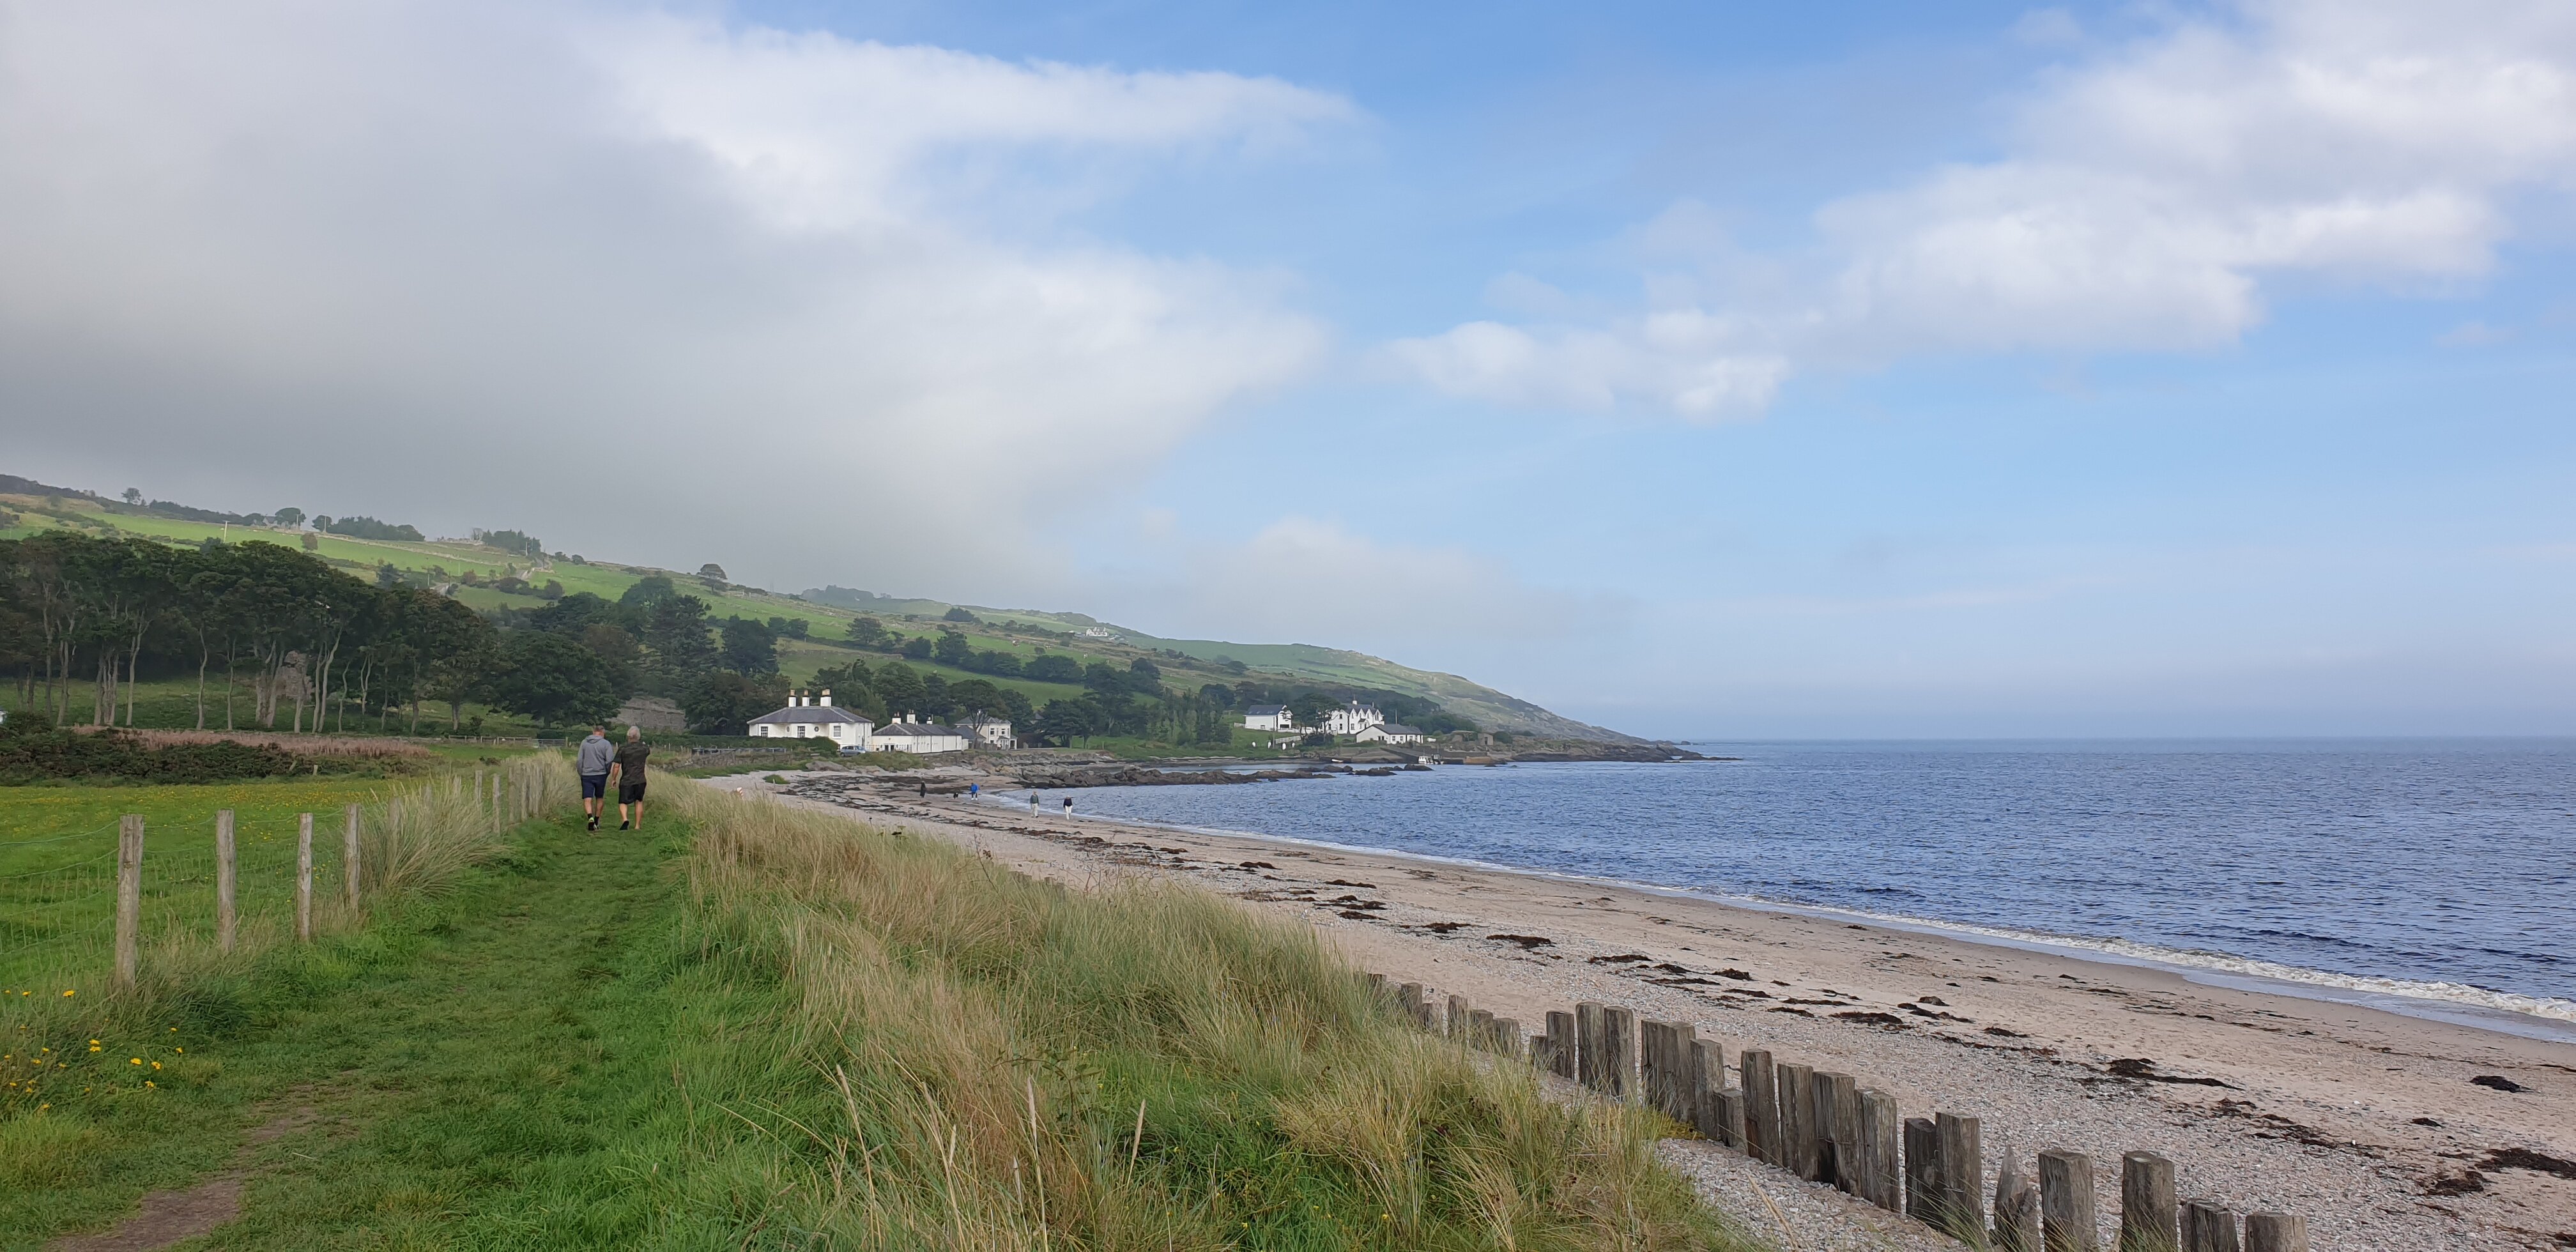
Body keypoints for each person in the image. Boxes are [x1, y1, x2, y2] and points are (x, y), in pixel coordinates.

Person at [608, 726, 650, 832]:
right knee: (639, 801)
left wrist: (613, 778)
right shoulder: (644, 748)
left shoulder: (623, 749)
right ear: (639, 737)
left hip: (627, 780)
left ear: (628, 736)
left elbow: (617, 765)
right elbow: (647, 752)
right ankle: (637, 826)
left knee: (623, 802)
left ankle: (625, 819)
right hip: (640, 779)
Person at [575, 724, 615, 832]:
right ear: (602, 733)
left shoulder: (584, 742)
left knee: (588, 798)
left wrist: (581, 772)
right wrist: (607, 772)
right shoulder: (606, 744)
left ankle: (590, 817)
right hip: (600, 774)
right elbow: (609, 760)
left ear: (593, 732)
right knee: (600, 798)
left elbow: (579, 760)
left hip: (587, 774)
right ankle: (597, 819)